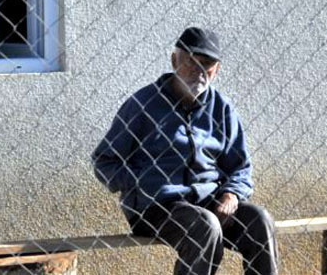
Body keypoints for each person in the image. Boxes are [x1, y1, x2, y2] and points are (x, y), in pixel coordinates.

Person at [92, 27, 278, 275]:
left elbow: (241, 167)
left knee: (259, 220)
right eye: (191, 62)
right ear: (174, 60)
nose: (199, 71)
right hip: (156, 208)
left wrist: (232, 195)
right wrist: (142, 182)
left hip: (209, 202)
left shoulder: (222, 109)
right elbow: (105, 161)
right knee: (205, 225)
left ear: (217, 70)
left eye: (207, 64)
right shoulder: (142, 104)